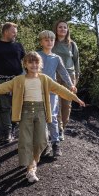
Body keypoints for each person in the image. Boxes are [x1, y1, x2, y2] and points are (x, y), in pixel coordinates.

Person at [0, 51, 85, 183]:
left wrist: (76, 98)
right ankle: (31, 169)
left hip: (41, 112)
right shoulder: (19, 80)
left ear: (40, 64)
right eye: (30, 62)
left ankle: (33, 161)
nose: (34, 65)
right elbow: (1, 88)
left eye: (36, 62)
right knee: (25, 141)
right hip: (25, 112)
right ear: (25, 64)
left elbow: (60, 89)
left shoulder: (44, 79)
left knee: (41, 140)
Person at [37, 30, 76, 158]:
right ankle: (44, 144)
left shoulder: (56, 58)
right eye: (46, 40)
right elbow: (25, 72)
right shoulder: (36, 56)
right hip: (37, 92)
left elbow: (64, 72)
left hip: (52, 91)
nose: (49, 42)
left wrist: (71, 85)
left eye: (52, 40)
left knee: (52, 117)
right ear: (41, 42)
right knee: (40, 119)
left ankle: (56, 144)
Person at [52, 20, 80, 140]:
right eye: (60, 27)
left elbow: (76, 62)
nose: (62, 29)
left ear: (67, 30)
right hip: (54, 75)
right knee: (55, 102)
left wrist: (76, 78)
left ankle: (63, 126)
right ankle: (59, 129)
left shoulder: (72, 44)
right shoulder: (52, 42)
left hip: (69, 76)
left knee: (67, 104)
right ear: (56, 29)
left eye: (65, 27)